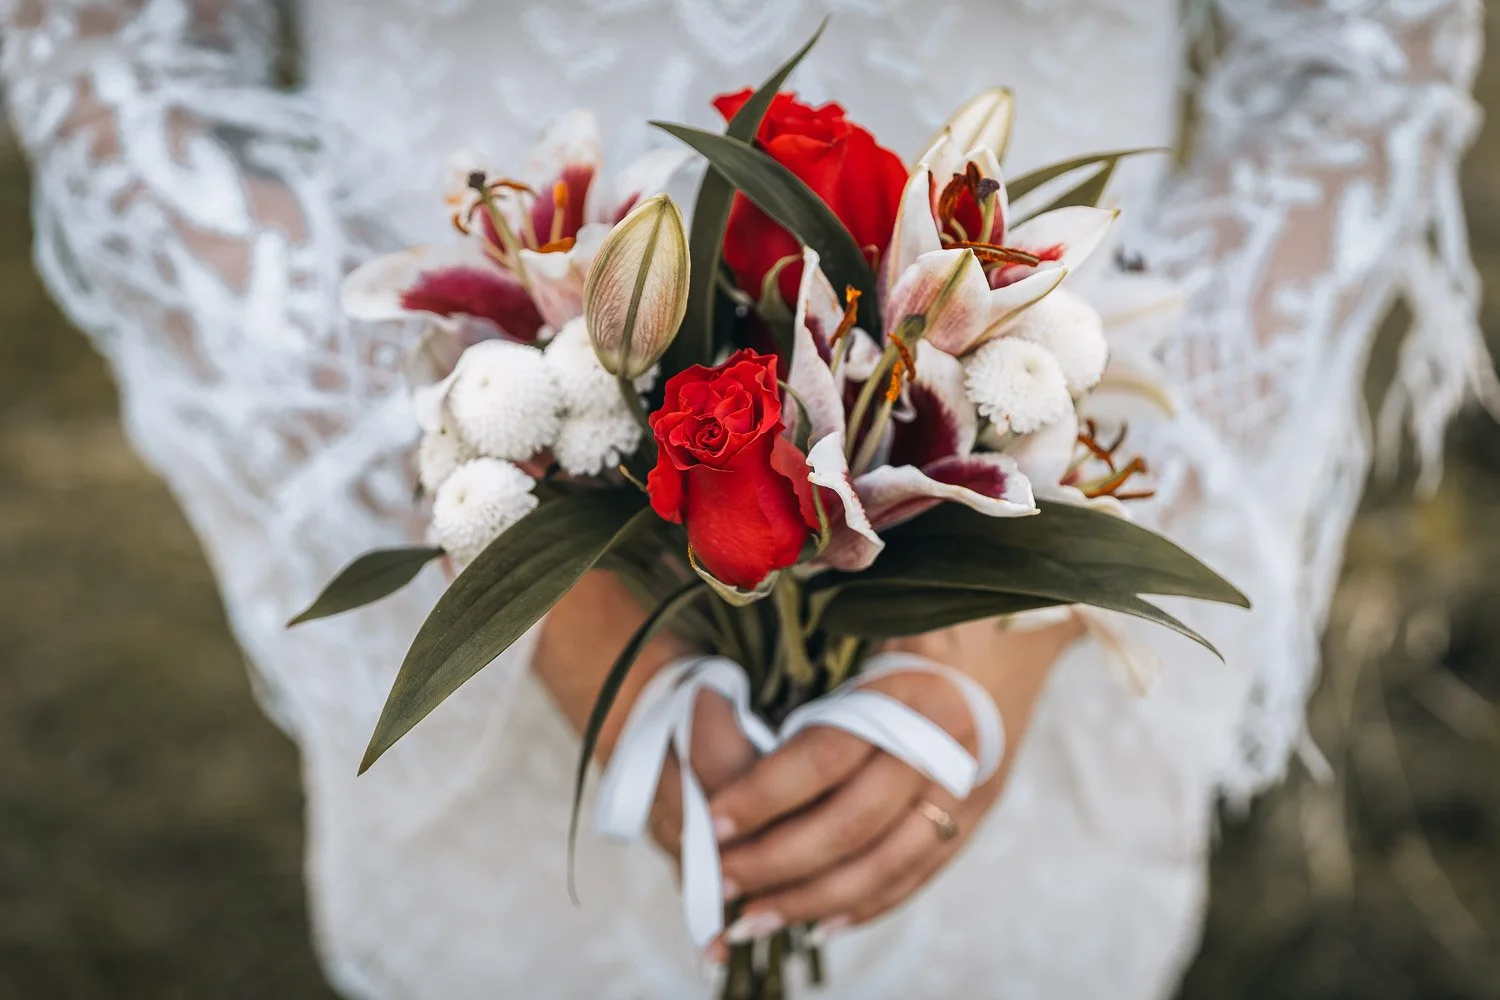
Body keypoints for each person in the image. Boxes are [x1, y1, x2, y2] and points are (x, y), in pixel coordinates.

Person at [1, 1, 1490, 996]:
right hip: (479, 523)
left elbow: (1366, 61)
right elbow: (108, 50)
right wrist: (512, 546)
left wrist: (1019, 579)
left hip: (1023, 559)